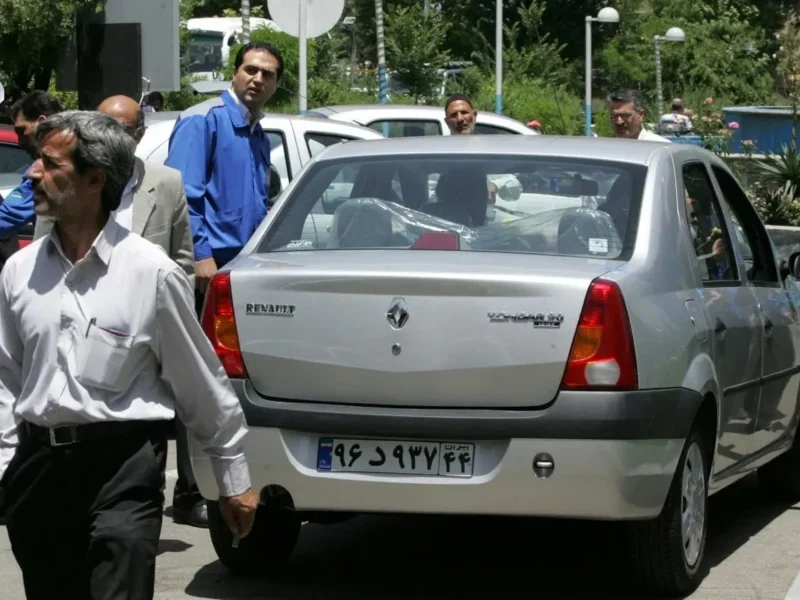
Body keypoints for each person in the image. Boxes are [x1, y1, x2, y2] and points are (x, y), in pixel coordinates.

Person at [0, 111, 258, 599]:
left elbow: (199, 381)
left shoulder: (150, 273)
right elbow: (6, 377)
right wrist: (6, 465)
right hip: (38, 472)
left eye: (50, 164)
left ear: (95, 180)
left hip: (122, 469)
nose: (32, 173)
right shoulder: (19, 271)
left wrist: (233, 479)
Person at [164, 40, 282, 524]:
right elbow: (183, 196)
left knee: (229, 383)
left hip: (243, 274)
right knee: (197, 381)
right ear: (234, 73)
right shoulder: (204, 120)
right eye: (250, 70)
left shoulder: (257, 133)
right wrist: (202, 257)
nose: (257, 79)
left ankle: (232, 482)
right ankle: (190, 491)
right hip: (208, 272)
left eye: (267, 74)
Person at [0, 90, 63, 238]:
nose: (20, 142)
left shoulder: (44, 170)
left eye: (21, 131)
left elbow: (6, 218)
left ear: (42, 122)